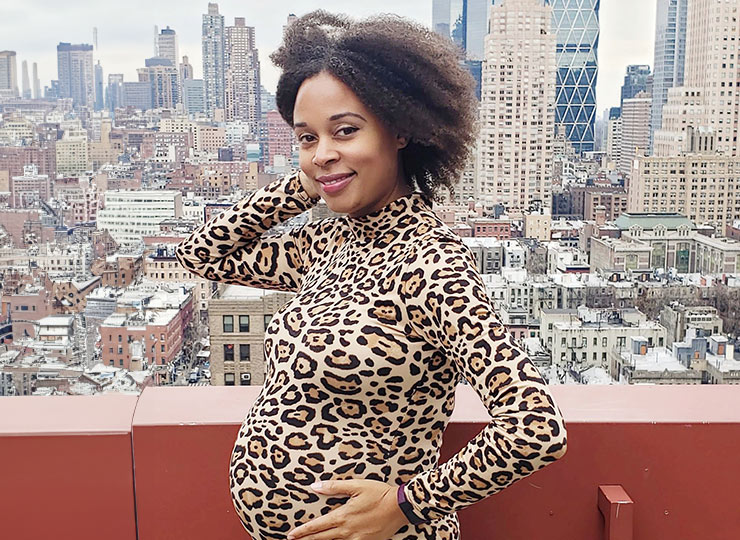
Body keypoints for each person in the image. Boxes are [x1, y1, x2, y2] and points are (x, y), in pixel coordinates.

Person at [175, 10, 568, 540]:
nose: (322, 152)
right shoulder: (331, 240)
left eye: (345, 131)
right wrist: (311, 181)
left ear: (401, 128)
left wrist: (409, 503)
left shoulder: (432, 265)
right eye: (306, 138)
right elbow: (204, 255)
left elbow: (536, 429)